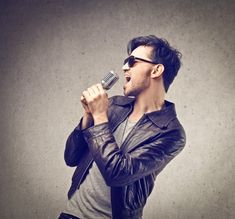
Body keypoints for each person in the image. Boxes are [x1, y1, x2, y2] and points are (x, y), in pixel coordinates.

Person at [58, 35, 186, 219]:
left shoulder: (171, 133)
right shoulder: (115, 105)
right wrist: (88, 116)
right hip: (71, 214)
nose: (124, 67)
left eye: (132, 61)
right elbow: (71, 158)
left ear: (156, 70)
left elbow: (118, 174)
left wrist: (100, 116)